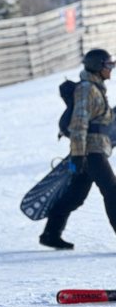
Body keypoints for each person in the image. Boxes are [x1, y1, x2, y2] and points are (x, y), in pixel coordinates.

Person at [40, 48, 116, 250]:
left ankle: (51, 234)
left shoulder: (96, 88)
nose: (111, 69)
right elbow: (79, 123)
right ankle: (51, 233)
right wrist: (77, 155)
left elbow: (101, 121)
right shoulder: (86, 89)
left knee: (75, 196)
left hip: (92, 150)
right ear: (97, 67)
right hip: (90, 151)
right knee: (112, 191)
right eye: (108, 65)